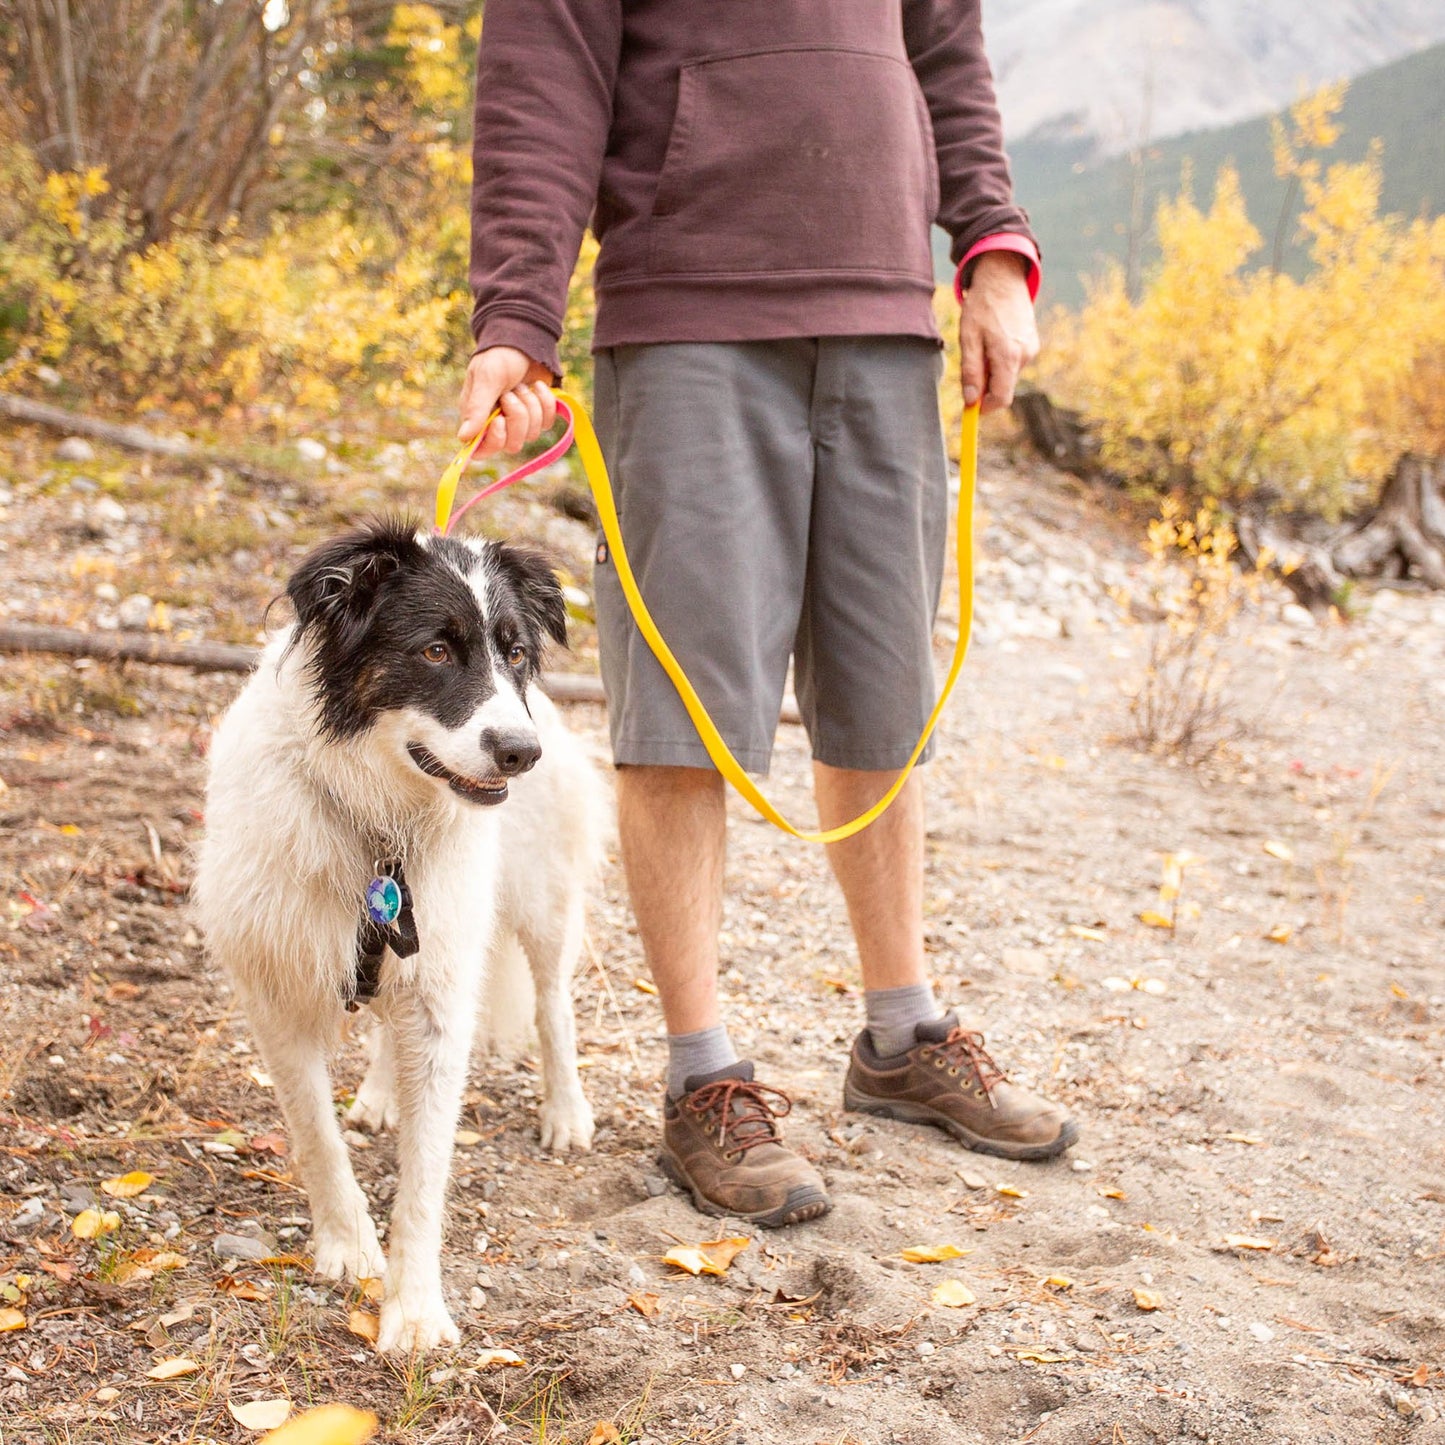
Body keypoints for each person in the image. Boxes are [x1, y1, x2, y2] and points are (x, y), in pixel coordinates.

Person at [457, 1, 1077, 1227]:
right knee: (683, 705)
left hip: (886, 317)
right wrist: (517, 316)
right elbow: (543, 75)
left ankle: (900, 1037)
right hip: (688, 319)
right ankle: (701, 1073)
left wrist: (993, 246)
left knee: (880, 694)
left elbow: (942, 46)